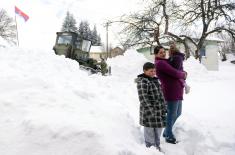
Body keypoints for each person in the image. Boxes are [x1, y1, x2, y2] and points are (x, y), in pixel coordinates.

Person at [154, 46, 187, 144]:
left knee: (178, 112)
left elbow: (177, 67)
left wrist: (182, 71)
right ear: (156, 54)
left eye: (164, 52)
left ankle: (166, 131)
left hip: (176, 90)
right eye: (160, 52)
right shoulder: (160, 63)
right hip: (170, 91)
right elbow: (175, 73)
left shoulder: (165, 61)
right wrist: (183, 74)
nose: (163, 54)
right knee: (171, 114)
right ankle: (168, 135)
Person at [135, 62, 166, 151]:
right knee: (149, 132)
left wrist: (164, 106)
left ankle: (157, 147)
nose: (153, 73)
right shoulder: (143, 81)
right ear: (145, 71)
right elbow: (143, 98)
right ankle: (151, 149)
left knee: (158, 131)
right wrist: (150, 111)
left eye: (154, 71)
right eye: (151, 71)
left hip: (159, 111)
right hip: (149, 112)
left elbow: (161, 95)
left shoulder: (155, 80)